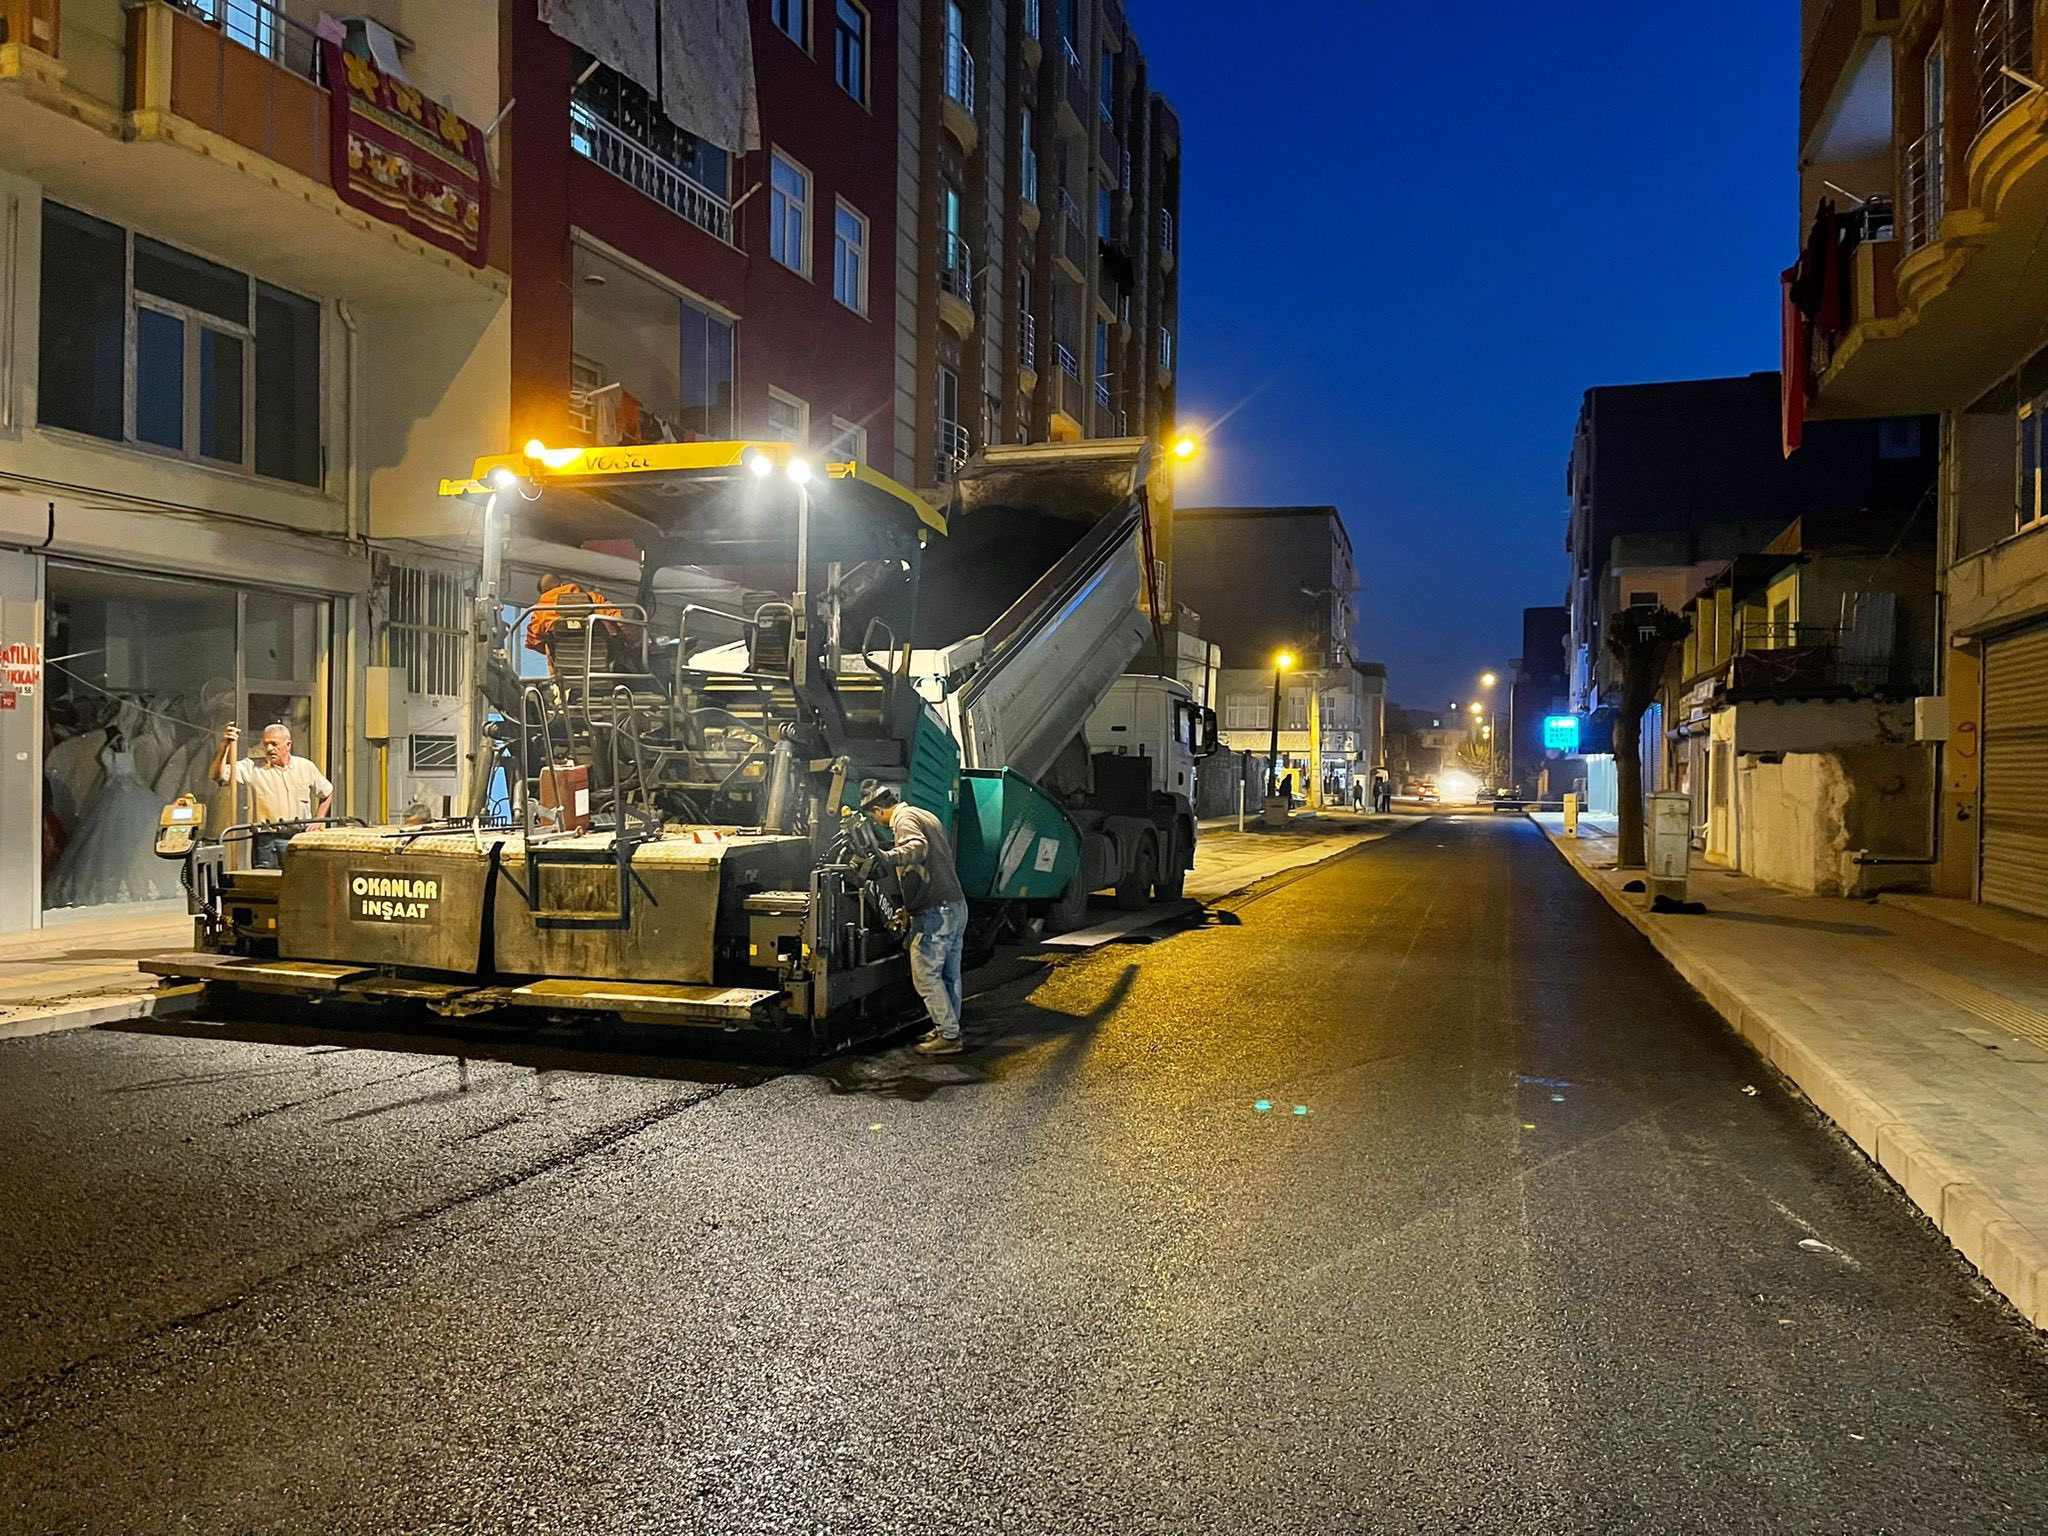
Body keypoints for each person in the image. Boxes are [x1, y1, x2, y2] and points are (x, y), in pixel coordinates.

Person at [859, 781, 970, 1056]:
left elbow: (918, 848)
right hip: (955, 905)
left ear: (878, 810)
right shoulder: (924, 815)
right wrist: (909, 909)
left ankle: (949, 1037)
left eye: (874, 817)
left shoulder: (904, 819)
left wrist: (886, 857)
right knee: (949, 975)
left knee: (926, 975)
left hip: (936, 912)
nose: (877, 822)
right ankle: (949, 1027)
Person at [210, 722, 333, 869]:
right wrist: (225, 746)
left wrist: (318, 820)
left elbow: (327, 793)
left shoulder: (305, 767)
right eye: (266, 744)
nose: (269, 749)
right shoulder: (252, 767)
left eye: (274, 744)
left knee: (301, 879)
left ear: (288, 745)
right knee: (267, 880)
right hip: (266, 841)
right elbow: (217, 775)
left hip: (299, 837)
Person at [526, 571, 623, 669]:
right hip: (602, 661)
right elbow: (620, 622)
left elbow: (534, 641)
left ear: (542, 593)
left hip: (564, 668)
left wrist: (554, 646)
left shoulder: (540, 610)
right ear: (562, 585)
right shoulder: (594, 598)